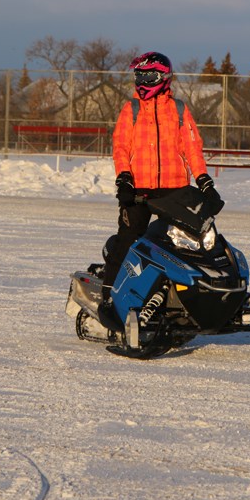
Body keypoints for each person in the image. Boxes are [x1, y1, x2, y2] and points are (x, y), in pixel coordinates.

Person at [99, 51, 224, 317]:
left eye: (149, 76)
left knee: (192, 241)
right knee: (129, 240)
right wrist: (124, 180)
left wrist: (204, 181)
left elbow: (192, 148)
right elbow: (121, 147)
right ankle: (108, 298)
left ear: (164, 77)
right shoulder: (131, 109)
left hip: (174, 190)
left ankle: (195, 296)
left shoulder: (178, 109)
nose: (143, 81)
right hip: (139, 191)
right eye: (139, 76)